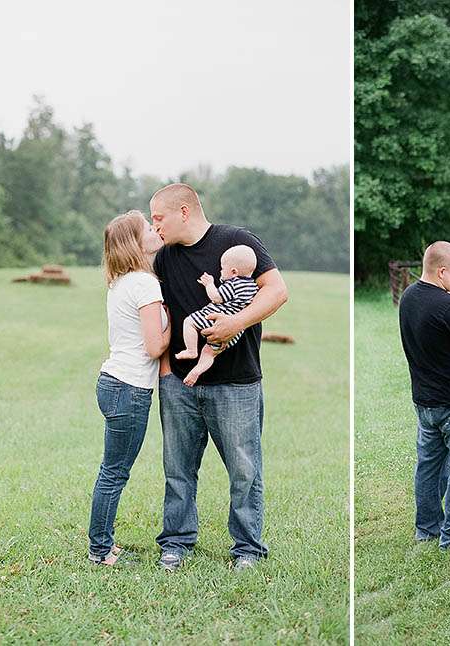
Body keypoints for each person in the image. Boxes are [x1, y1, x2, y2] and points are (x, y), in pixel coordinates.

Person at [149, 183, 288, 572]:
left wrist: (236, 323)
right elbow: (165, 315)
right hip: (179, 383)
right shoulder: (164, 259)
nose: (154, 225)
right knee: (177, 470)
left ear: (184, 212)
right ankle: (175, 544)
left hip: (236, 384)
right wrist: (165, 374)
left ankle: (247, 549)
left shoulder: (237, 242)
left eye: (158, 218)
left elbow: (277, 291)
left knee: (245, 472)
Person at [88, 210, 169, 566]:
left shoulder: (122, 281)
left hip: (113, 382)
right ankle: (100, 550)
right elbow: (154, 347)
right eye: (148, 228)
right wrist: (182, 323)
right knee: (114, 472)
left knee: (111, 469)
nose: (155, 230)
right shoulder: (145, 283)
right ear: (136, 243)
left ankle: (103, 543)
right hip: (130, 387)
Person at [398, 241, 450, 549]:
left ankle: (427, 529)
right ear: (441, 271)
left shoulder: (408, 297)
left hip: (424, 400)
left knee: (428, 466)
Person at [175, 244, 259, 386]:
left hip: (215, 320)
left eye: (222, 268)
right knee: (209, 352)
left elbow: (216, 297)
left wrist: (209, 284)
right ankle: (197, 371)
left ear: (233, 272)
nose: (220, 271)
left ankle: (191, 350)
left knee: (189, 322)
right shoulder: (252, 287)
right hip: (233, 333)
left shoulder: (233, 284)